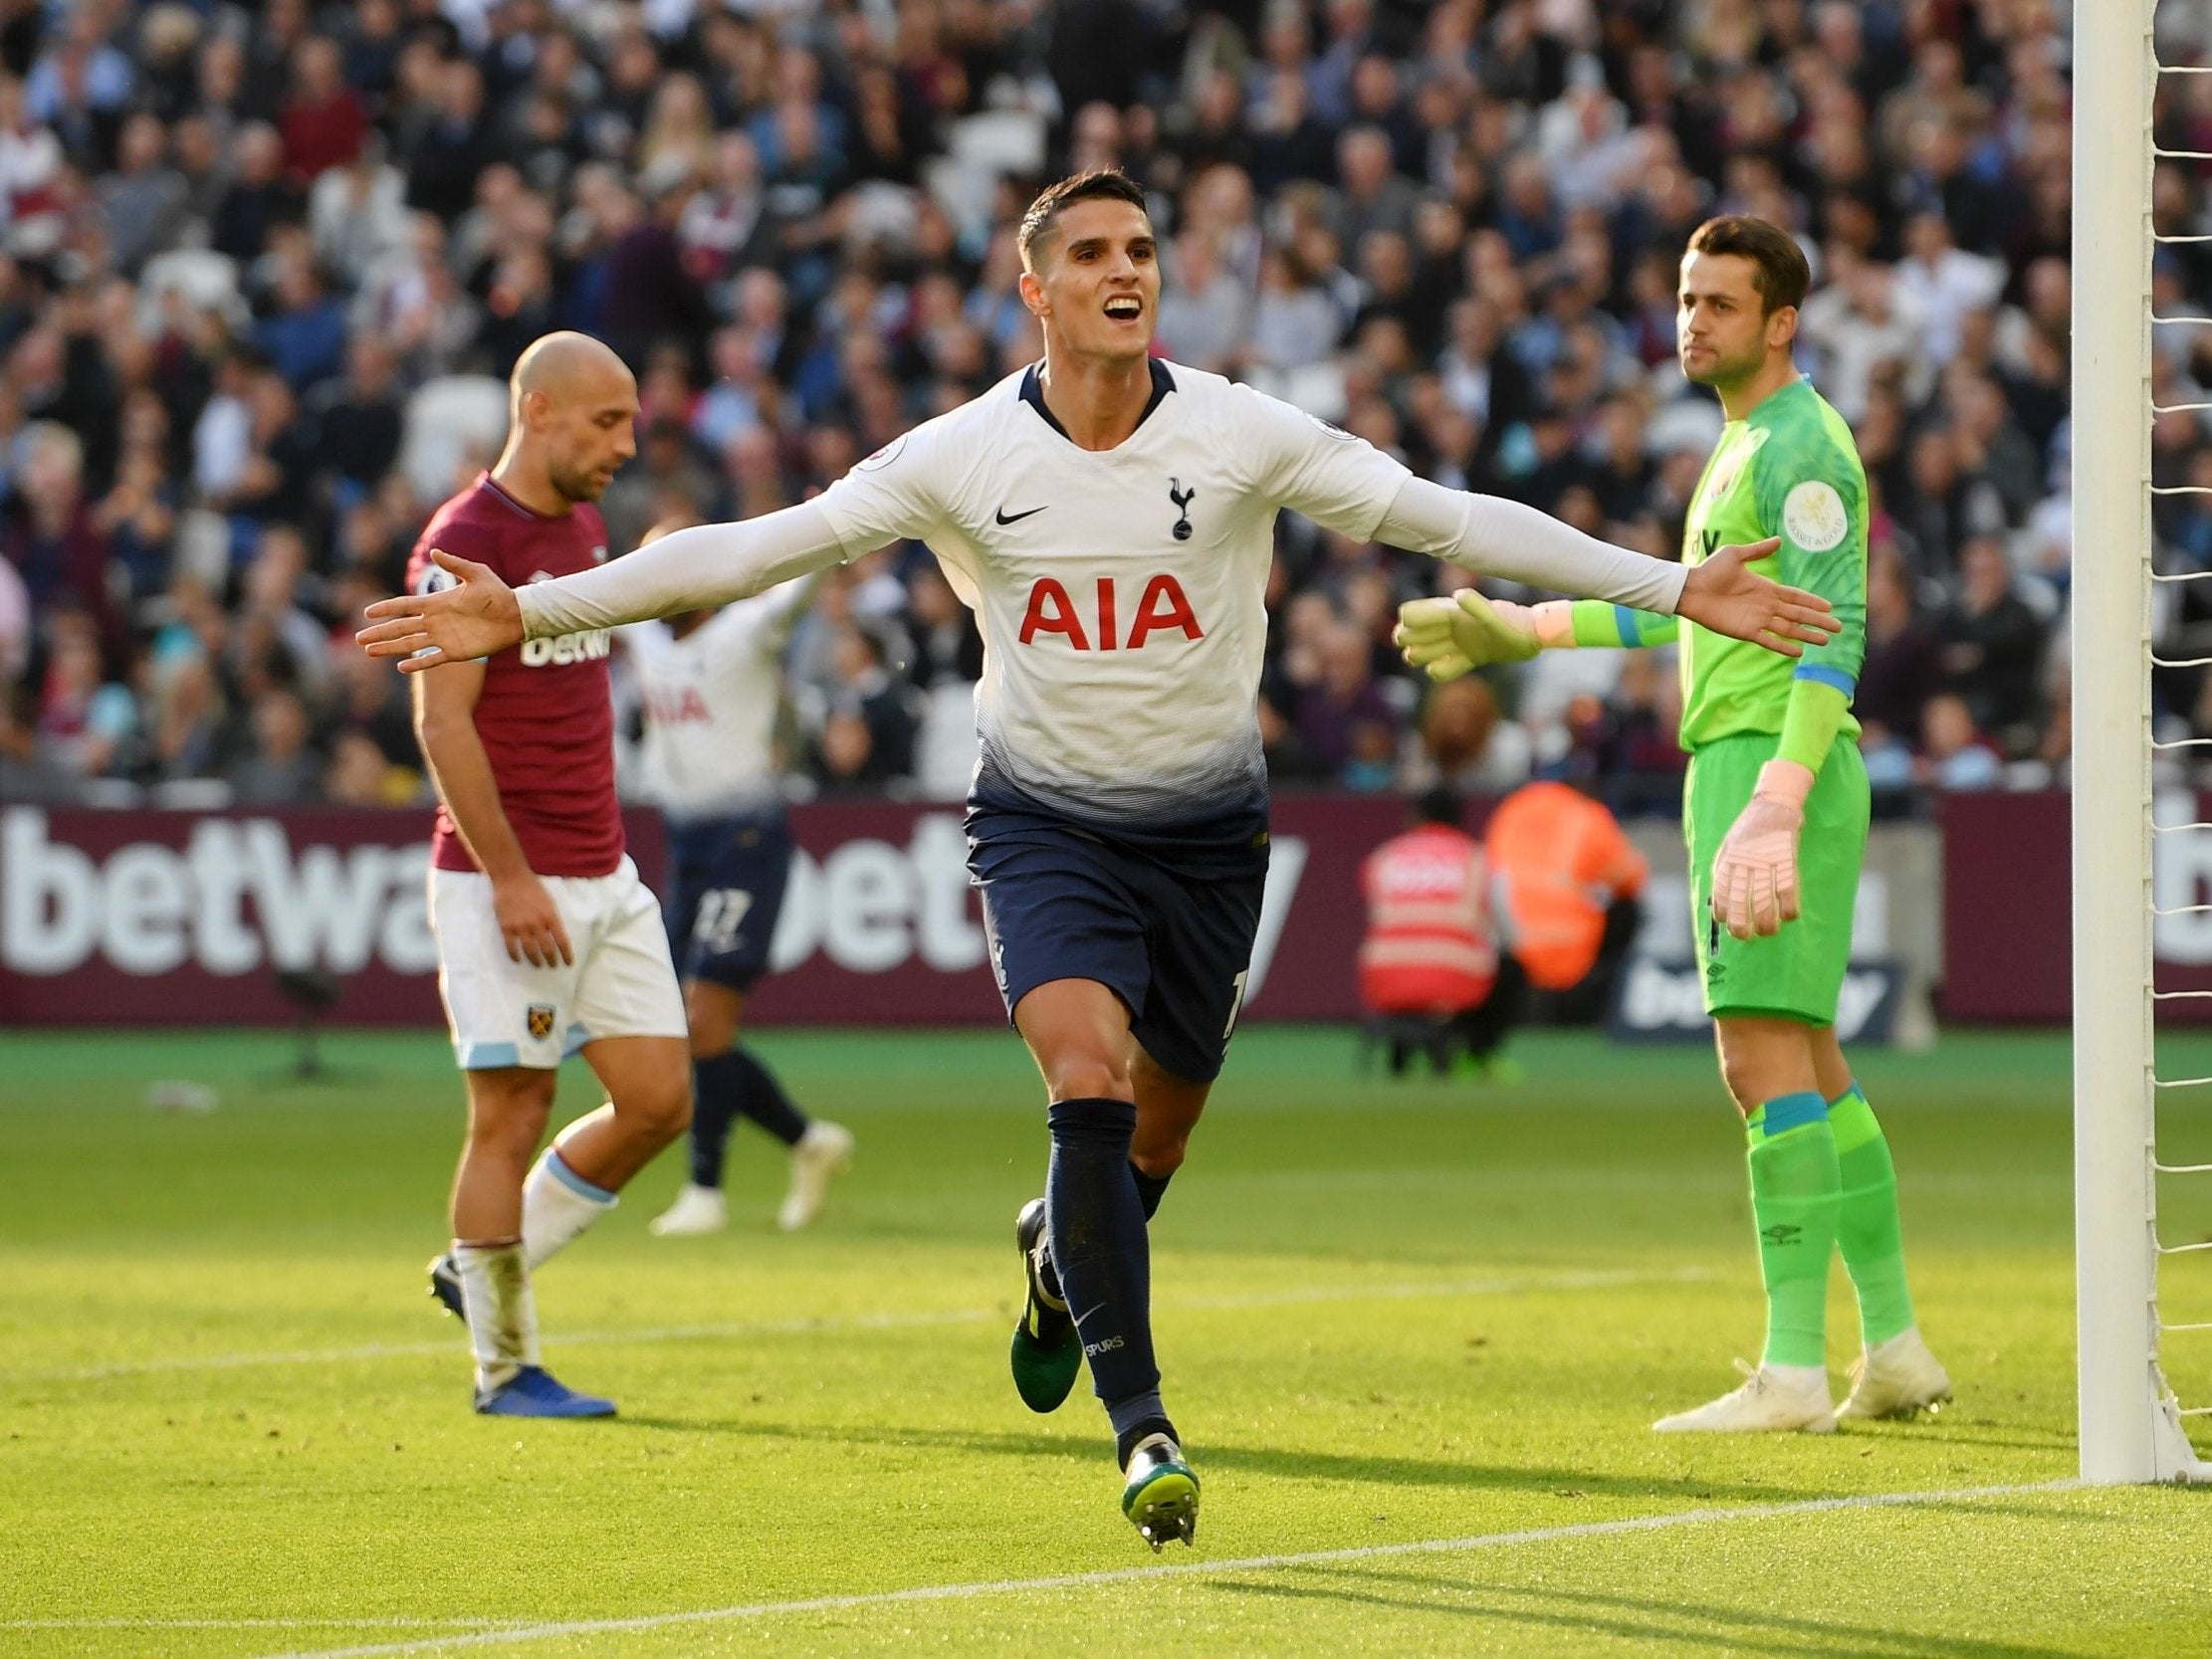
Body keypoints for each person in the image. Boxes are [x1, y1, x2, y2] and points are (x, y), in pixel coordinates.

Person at [358, 172, 1836, 1544]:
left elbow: (1446, 518)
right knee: (1084, 1078)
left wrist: (1672, 585)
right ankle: (1143, 1429)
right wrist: (538, 612)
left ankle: (1057, 1258)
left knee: (1154, 1141)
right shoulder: (963, 453)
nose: (1123, 271)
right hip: (1043, 821)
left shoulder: (1242, 432)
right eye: (1091, 254)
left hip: (1206, 837)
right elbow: (753, 547)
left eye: (1139, 251)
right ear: (1036, 291)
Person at [1396, 215, 1949, 1434]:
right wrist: (1523, 628)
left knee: (1756, 1063)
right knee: (1809, 1065)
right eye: (1688, 298)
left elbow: (1829, 634)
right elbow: (1685, 610)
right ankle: (1895, 1346)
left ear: (1781, 320)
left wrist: (1774, 796)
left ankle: (1792, 1370)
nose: (1692, 320)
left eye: (1720, 303)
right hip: (1746, 763)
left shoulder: (1799, 445)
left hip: (1766, 765)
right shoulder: (1742, 439)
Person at [410, 332, 693, 1420]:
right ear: (535, 408)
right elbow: (442, 722)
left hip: (604, 869)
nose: (626, 442)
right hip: (507, 880)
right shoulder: (463, 541)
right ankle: (503, 1365)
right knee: (512, 1112)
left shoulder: (579, 524)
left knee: (660, 1098)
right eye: (605, 420)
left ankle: (481, 1259)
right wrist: (511, 878)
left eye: (630, 420)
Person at [618, 518, 855, 1239]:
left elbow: (794, 595)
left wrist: (829, 526)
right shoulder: (649, 635)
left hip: (745, 840)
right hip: (686, 843)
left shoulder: (744, 631)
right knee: (687, 1024)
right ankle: (807, 1140)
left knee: (702, 1017)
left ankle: (705, 1190)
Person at [1356, 787, 1519, 1077]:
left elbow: (1377, 916)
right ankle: (1477, 1054)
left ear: (1416, 817)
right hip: (1457, 981)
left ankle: (1403, 1050)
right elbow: (1509, 931)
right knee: (1511, 966)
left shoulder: (1385, 857)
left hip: (1384, 978)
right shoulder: (1477, 859)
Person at [1484, 779, 1648, 1024]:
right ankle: (1604, 991)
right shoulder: (1587, 814)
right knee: (1628, 909)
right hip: (1568, 945)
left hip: (1509, 946)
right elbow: (1633, 878)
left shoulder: (1514, 807)